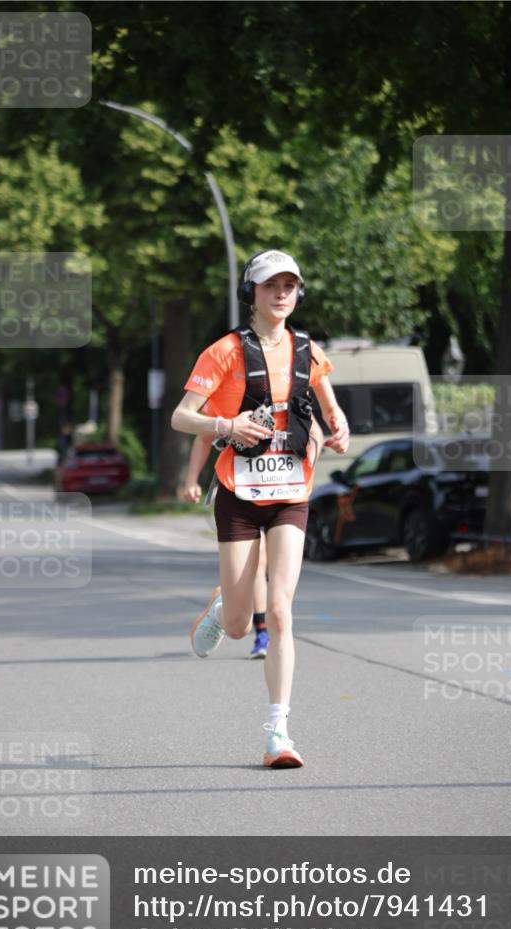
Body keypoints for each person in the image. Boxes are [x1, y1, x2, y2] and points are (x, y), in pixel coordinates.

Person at [171, 249, 349, 768]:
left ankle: (278, 734)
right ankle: (225, 605)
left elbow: (332, 410)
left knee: (281, 610)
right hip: (239, 497)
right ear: (252, 292)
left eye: (290, 286)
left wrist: (337, 431)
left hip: (291, 494)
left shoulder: (308, 350)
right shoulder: (224, 351)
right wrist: (225, 427)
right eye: (272, 285)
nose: (282, 294)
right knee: (237, 627)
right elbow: (184, 418)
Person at [182, 409, 326, 660]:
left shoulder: (291, 383)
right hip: (241, 497)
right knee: (257, 563)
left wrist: (329, 429)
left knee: (274, 571)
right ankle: (257, 628)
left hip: (283, 496)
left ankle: (260, 628)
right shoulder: (234, 388)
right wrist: (191, 480)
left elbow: (314, 428)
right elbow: (204, 436)